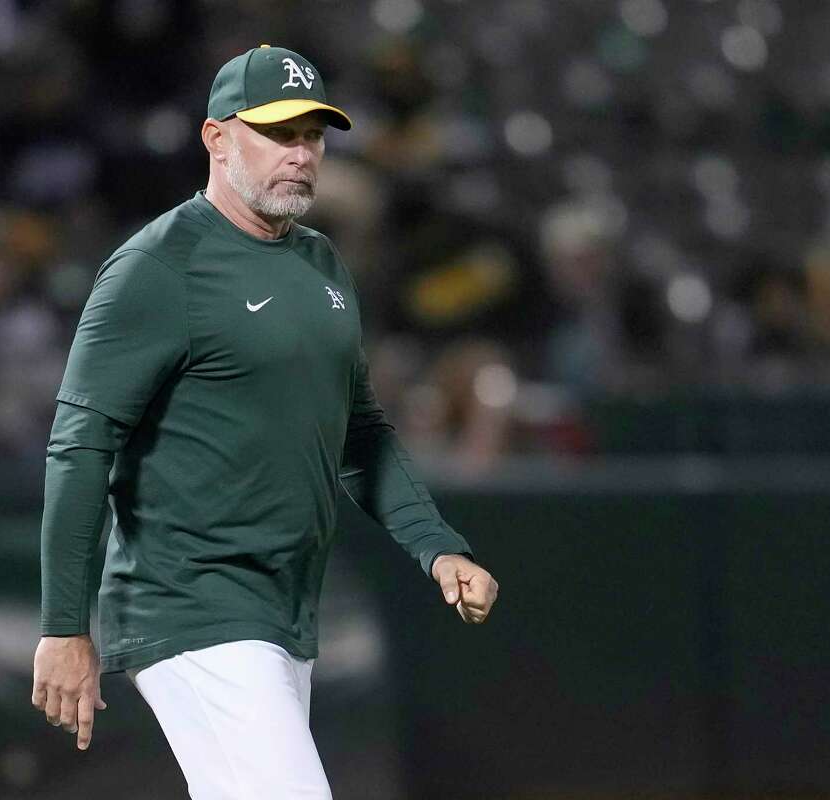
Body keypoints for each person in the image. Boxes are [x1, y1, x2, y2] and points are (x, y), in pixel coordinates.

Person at [31, 45, 498, 799]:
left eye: (313, 136)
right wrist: (63, 625)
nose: (302, 154)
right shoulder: (158, 265)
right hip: (190, 603)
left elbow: (362, 433)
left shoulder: (322, 266)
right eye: (280, 133)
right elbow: (80, 446)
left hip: (283, 607)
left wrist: (436, 546)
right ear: (217, 138)